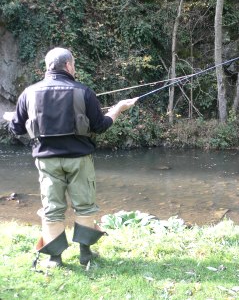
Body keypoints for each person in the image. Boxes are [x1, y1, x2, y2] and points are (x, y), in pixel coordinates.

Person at [2, 47, 138, 267]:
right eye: (73, 64)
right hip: (79, 160)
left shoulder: (28, 93)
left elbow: (17, 129)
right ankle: (85, 254)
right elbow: (101, 126)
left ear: (47, 67)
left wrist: (11, 117)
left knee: (52, 208)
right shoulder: (84, 91)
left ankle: (55, 259)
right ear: (68, 65)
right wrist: (119, 109)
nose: (74, 68)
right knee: (84, 206)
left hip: (47, 162)